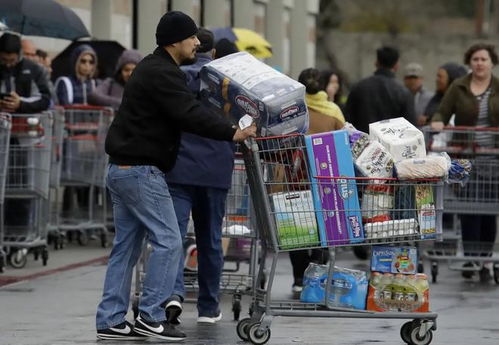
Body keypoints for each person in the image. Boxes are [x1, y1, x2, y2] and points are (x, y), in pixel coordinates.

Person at [95, 11, 256, 341]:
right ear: (174, 41)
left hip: (122, 168)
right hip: (140, 171)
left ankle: (111, 318)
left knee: (125, 247)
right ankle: (151, 315)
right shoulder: (163, 74)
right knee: (169, 240)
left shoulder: (152, 69)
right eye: (192, 37)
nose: (198, 42)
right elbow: (189, 113)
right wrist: (231, 133)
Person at [164, 28, 238, 325]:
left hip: (179, 167)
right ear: (215, 54)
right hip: (216, 170)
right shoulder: (228, 84)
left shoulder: (175, 79)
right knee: (210, 239)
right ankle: (208, 307)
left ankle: (173, 293)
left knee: (173, 236)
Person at [431, 43, 499, 279]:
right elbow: (442, 110)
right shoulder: (458, 87)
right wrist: (438, 121)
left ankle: (486, 258)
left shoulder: (498, 87)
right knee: (468, 208)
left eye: (484, 59)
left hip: (493, 158)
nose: (480, 63)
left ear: (492, 63)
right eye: (476, 59)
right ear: (470, 63)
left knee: (489, 209)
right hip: (466, 158)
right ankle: (471, 257)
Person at [288, 68, 345, 293]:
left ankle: (299, 279)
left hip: (295, 177)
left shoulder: (292, 110)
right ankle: (318, 272)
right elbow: (346, 142)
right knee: (323, 225)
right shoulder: (333, 111)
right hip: (325, 180)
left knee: (297, 228)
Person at [345, 46, 415, 133]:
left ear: (376, 63)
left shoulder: (359, 87)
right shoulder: (403, 92)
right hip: (392, 144)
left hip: (363, 143)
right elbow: (410, 128)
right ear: (396, 65)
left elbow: (348, 122)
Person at [0, 32, 51, 113]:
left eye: (12, 60)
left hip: (24, 120)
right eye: (4, 60)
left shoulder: (34, 69)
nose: (8, 64)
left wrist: (20, 103)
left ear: (19, 55)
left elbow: (44, 99)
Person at [403, 62, 434, 127]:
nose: (412, 81)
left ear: (421, 79)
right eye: (409, 78)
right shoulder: (399, 96)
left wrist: (428, 118)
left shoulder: (431, 97)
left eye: (415, 77)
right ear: (405, 79)